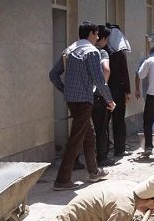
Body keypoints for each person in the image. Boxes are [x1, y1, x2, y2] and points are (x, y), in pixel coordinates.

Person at [50, 21, 115, 191]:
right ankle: (62, 180)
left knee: (89, 135)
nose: (98, 37)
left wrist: (65, 89)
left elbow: (53, 74)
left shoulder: (70, 50)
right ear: (92, 34)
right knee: (76, 139)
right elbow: (99, 80)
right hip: (84, 101)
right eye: (97, 34)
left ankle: (93, 172)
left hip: (72, 100)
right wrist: (110, 100)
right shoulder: (92, 52)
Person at [106, 25, 131, 158]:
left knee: (105, 121)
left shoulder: (103, 50)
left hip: (104, 91)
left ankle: (103, 150)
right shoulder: (119, 53)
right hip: (118, 91)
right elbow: (124, 73)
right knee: (119, 121)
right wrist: (128, 91)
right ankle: (119, 149)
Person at [92, 25, 113, 165]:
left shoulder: (77, 51)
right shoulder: (102, 53)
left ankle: (75, 160)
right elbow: (106, 70)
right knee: (101, 128)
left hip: (81, 96)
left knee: (81, 130)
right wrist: (103, 88)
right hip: (98, 96)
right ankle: (102, 158)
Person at [135, 46, 154, 144]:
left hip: (146, 91)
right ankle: (153, 131)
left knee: (149, 113)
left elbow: (138, 75)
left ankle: (150, 132)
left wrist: (137, 89)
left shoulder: (145, 60)